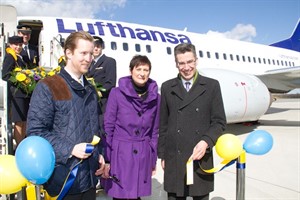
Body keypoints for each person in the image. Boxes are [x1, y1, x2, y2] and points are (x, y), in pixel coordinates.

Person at [26, 31, 105, 200]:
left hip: (89, 179)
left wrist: (99, 154)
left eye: (91, 53)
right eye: (83, 53)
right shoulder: (49, 86)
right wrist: (70, 149)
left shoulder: (90, 90)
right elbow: (36, 132)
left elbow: (96, 128)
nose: (89, 58)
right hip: (64, 180)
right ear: (68, 53)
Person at [158, 43, 227, 200]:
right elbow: (163, 125)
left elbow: (219, 122)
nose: (186, 67)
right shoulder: (168, 87)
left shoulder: (211, 86)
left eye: (190, 62)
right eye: (181, 63)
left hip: (200, 155)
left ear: (196, 60)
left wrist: (206, 142)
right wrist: (163, 155)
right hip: (174, 156)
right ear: (176, 64)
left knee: (200, 195)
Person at [102, 55, 160, 200]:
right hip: (120, 153)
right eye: (138, 69)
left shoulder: (156, 97)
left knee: (136, 196)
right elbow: (108, 127)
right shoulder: (116, 93)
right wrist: (108, 159)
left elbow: (155, 130)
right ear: (131, 70)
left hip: (143, 153)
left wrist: (152, 159)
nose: (142, 73)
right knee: (120, 195)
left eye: (146, 69)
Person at [2, 35, 30, 146]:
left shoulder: (20, 57)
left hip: (24, 93)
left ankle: (22, 143)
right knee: (19, 122)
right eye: (16, 45)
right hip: (16, 94)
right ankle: (19, 146)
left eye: (20, 45)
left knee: (24, 122)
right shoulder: (10, 57)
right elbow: (5, 75)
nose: (18, 47)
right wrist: (18, 80)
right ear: (10, 45)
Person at [86, 36, 116, 113]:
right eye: (93, 47)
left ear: (102, 47)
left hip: (103, 103)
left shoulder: (109, 61)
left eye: (98, 46)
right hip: (89, 102)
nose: (96, 49)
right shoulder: (89, 63)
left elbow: (110, 83)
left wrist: (96, 92)